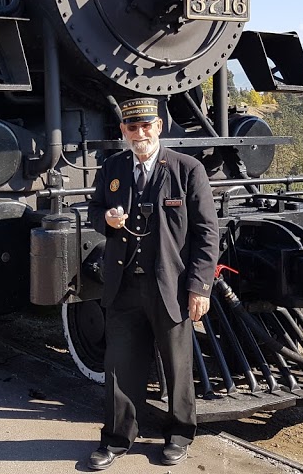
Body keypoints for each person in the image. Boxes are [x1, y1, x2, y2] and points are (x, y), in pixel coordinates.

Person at [84, 97, 220, 470]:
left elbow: (207, 233)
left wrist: (200, 287)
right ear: (123, 132)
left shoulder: (187, 169)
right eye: (132, 128)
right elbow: (95, 209)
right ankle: (115, 439)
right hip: (123, 284)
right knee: (119, 366)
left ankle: (178, 436)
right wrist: (106, 220)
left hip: (171, 286)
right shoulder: (112, 167)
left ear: (159, 127)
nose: (139, 134)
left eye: (146, 127)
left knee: (177, 367)